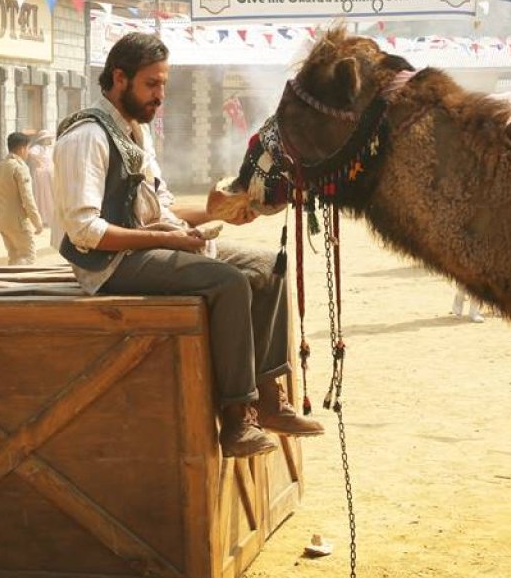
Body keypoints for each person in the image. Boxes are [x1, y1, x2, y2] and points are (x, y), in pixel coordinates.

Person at [53, 32, 323, 458]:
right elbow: (85, 231)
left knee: (271, 266)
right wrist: (169, 238)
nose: (161, 95)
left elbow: (161, 208)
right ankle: (237, 420)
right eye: (151, 84)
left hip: (150, 247)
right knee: (229, 282)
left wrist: (219, 211)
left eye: (164, 84)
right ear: (119, 79)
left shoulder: (137, 133)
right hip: (108, 265)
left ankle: (270, 400)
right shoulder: (86, 137)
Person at [0, 132, 43, 265]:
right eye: (27, 148)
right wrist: (37, 222)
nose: (28, 152)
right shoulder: (20, 168)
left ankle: (10, 284)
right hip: (18, 221)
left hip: (2, 220)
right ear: (22, 148)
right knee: (28, 257)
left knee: (14, 257)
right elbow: (28, 199)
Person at [26, 130, 58, 248]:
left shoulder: (50, 149)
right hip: (41, 174)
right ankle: (42, 219)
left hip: (50, 173)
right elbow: (31, 153)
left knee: (50, 196)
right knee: (42, 195)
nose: (49, 140)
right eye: (47, 138)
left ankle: (50, 218)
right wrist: (38, 161)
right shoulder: (37, 148)